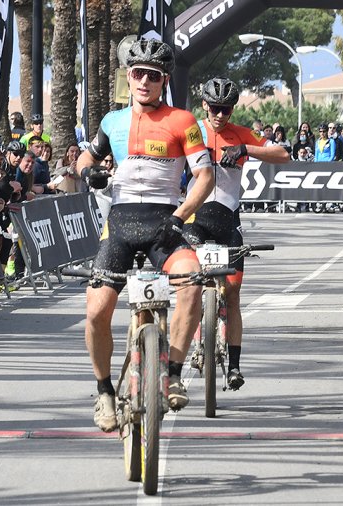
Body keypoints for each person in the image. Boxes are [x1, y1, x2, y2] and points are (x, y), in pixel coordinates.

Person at [75, 39, 215, 432]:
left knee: (191, 283)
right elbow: (86, 156)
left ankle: (170, 371)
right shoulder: (111, 121)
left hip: (164, 223)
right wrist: (90, 172)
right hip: (120, 223)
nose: (144, 81)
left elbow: (204, 175)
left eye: (153, 76)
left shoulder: (183, 121)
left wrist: (183, 214)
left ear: (163, 80)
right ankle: (104, 392)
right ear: (129, 77)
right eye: (137, 74)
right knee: (96, 311)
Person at [185, 76, 289, 390]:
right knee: (190, 287)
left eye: (226, 110)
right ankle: (195, 341)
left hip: (228, 220)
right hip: (195, 219)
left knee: (232, 295)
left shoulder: (241, 133)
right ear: (204, 105)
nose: (219, 115)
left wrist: (247, 149)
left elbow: (283, 154)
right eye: (215, 108)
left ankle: (234, 366)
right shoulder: (192, 132)